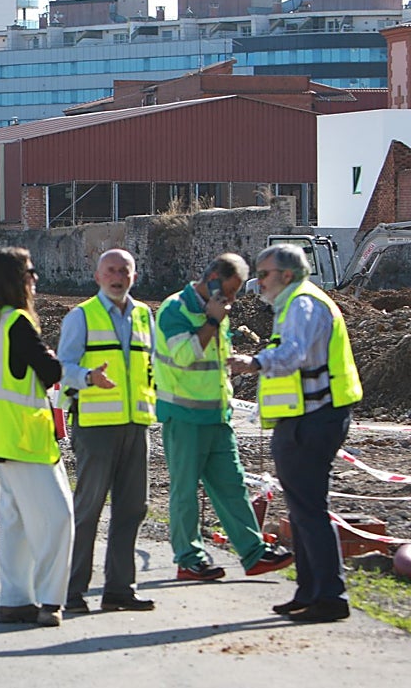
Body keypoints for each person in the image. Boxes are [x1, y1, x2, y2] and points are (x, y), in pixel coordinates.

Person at [228, 243, 361, 623]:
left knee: (309, 509)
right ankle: (309, 591)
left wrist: (251, 362)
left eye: (265, 274)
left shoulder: (301, 304)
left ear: (286, 275)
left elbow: (294, 354)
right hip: (306, 417)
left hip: (313, 418)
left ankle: (330, 596)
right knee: (302, 509)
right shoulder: (295, 303)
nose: (259, 282)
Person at [156, 253, 294, 584]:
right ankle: (189, 559)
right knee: (185, 491)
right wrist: (213, 321)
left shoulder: (220, 312)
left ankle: (253, 552)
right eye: (230, 291)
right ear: (214, 277)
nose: (232, 300)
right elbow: (186, 356)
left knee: (232, 486)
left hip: (217, 416)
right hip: (184, 416)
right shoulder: (175, 309)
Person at [0, 246, 73, 628]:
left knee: (15, 524)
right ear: (15, 279)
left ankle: (15, 600)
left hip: (4, 437)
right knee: (60, 518)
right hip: (28, 440)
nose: (35, 278)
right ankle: (49, 599)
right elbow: (50, 370)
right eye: (30, 271)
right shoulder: (17, 322)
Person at [59, 249, 157, 614]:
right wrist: (88, 378)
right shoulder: (81, 316)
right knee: (88, 511)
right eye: (111, 271)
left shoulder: (146, 316)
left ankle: (119, 590)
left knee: (133, 508)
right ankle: (71, 592)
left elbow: (155, 367)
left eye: (125, 271)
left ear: (134, 276)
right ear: (98, 276)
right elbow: (62, 367)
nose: (118, 277)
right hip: (96, 428)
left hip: (136, 425)